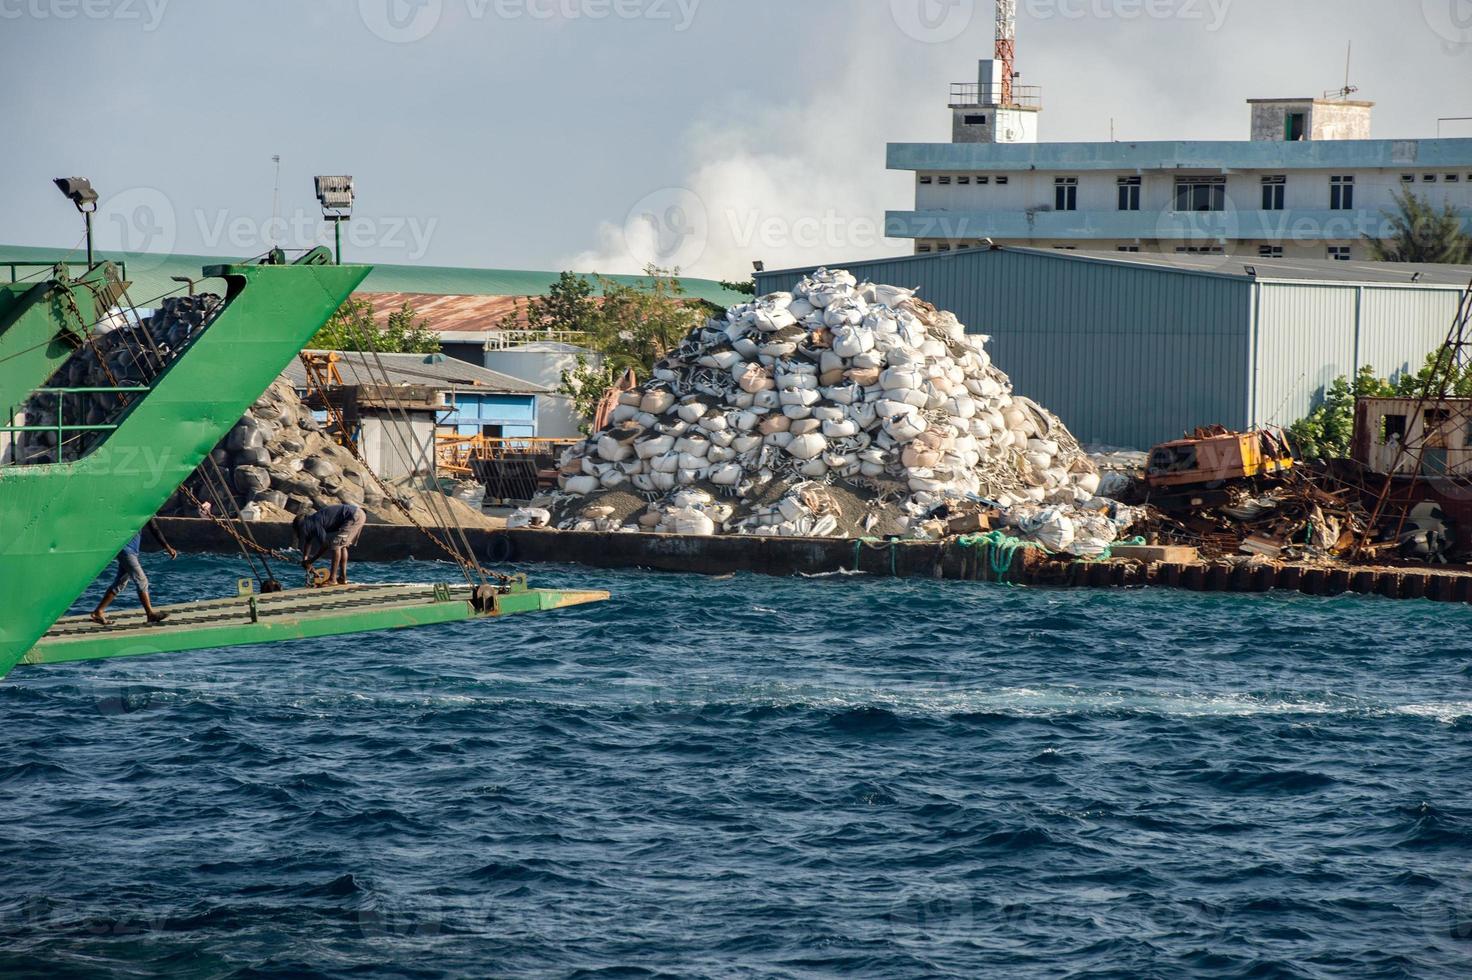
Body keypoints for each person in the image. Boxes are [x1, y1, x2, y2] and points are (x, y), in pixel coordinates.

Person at [91, 519, 178, 626]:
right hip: (126, 551)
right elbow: (154, 529)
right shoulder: (138, 508)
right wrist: (168, 548)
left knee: (120, 583)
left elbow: (154, 528)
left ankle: (98, 612)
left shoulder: (144, 512)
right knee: (142, 580)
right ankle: (150, 614)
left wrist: (167, 547)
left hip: (131, 550)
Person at [293, 503, 367, 586]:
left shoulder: (314, 523)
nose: (300, 533)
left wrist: (311, 561)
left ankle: (332, 579)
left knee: (336, 545)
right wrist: (305, 560)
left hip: (354, 515)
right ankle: (342, 578)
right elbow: (308, 542)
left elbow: (325, 545)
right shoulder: (310, 524)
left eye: (299, 530)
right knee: (342, 546)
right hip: (357, 514)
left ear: (301, 525)